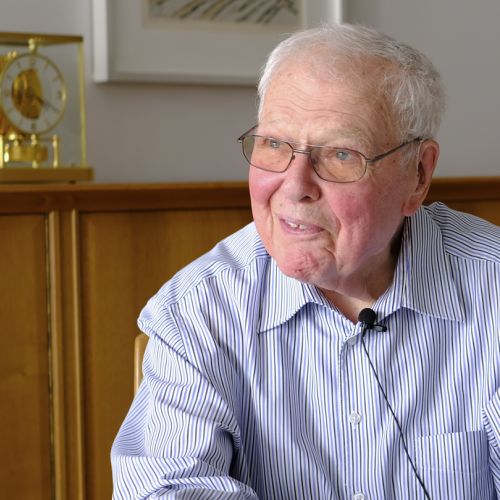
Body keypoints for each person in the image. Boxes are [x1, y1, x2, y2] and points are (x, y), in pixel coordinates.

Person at [111, 23, 500, 499]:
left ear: (417, 175)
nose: (294, 186)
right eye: (275, 144)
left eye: (341, 154)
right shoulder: (199, 310)